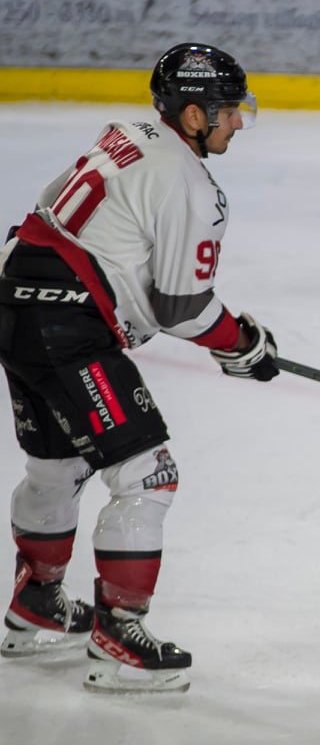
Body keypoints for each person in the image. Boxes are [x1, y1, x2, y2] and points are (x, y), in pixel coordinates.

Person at [0, 43, 279, 694]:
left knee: (57, 465)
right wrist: (240, 343)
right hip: (68, 329)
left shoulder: (127, 136)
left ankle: (36, 601)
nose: (237, 123)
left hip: (13, 303)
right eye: (228, 111)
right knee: (147, 473)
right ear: (191, 115)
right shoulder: (188, 181)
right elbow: (180, 307)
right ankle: (118, 634)